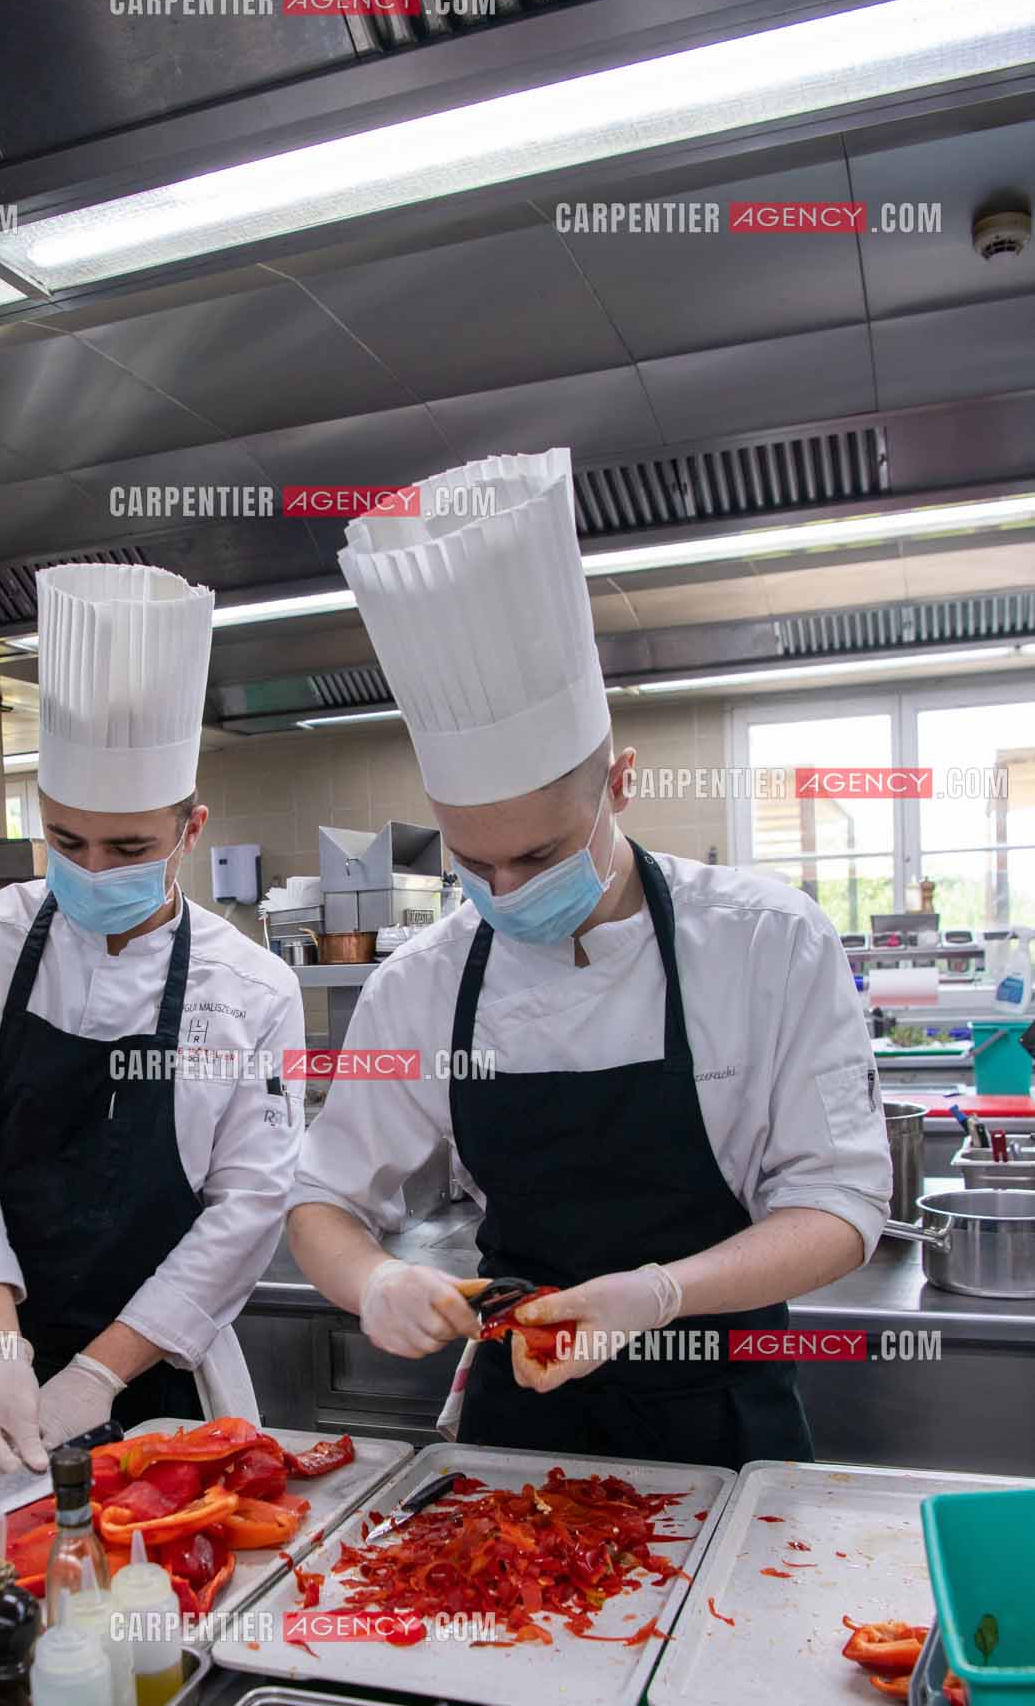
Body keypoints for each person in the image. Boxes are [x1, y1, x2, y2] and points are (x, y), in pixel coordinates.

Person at [286, 451, 891, 1469]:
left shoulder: (766, 941)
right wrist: (373, 1282)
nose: (509, 892)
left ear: (621, 781)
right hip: (518, 1435)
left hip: (725, 1418)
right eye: (475, 863)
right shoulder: (423, 982)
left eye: (540, 855)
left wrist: (657, 1293)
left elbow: (839, 1208)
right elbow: (323, 1204)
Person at [0, 562, 304, 1477]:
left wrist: (94, 1377)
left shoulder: (253, 986)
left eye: (129, 848)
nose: (92, 868)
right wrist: (4, 1352)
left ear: (191, 829)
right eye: (65, 841)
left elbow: (247, 1208)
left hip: (157, 1375)